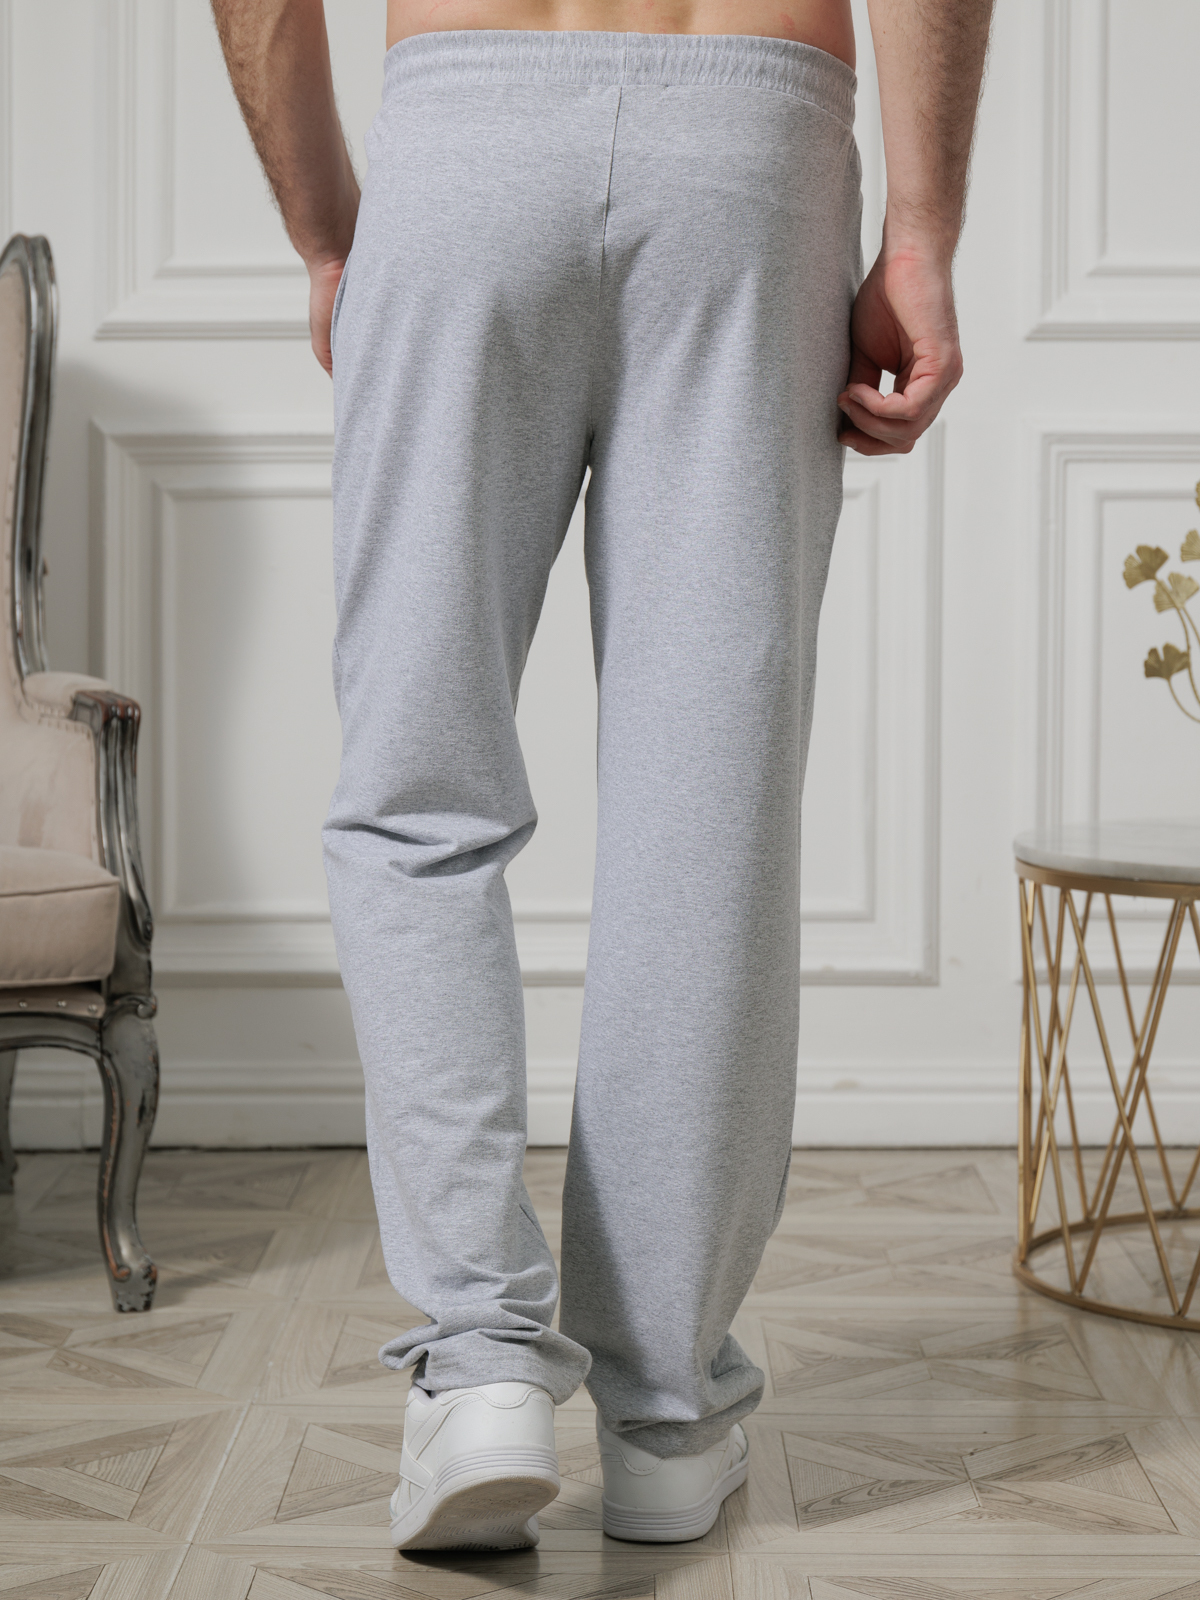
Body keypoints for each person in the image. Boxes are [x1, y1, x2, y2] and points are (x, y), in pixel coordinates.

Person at [213, 0, 992, 1555]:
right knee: (708, 819)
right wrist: (920, 234)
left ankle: (482, 1370)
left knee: (417, 790)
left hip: (465, 138)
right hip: (753, 144)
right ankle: (664, 1416)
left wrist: (328, 231)